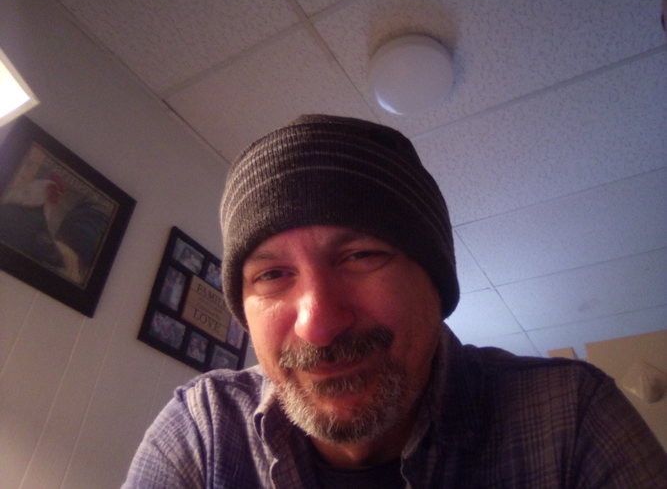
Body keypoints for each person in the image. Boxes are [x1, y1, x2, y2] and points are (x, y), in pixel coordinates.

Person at [122, 115, 667, 488]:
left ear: (436, 282)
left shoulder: (569, 417)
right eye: (272, 275)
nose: (318, 324)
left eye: (360, 255)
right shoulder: (203, 432)